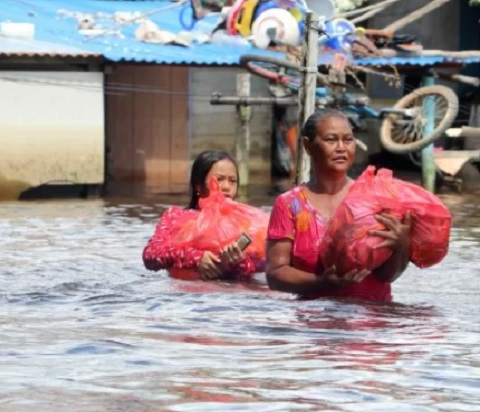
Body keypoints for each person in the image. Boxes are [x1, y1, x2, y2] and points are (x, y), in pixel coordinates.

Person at [265, 109, 412, 302]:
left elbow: (387, 276)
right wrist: (322, 283)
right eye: (331, 140)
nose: (341, 147)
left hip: (373, 319)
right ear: (308, 146)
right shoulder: (290, 204)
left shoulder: (375, 198)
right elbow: (275, 274)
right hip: (314, 321)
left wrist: (403, 246)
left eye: (348, 140)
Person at [143, 150, 265, 280]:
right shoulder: (175, 216)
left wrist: (239, 262)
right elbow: (151, 254)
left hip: (231, 295)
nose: (226, 187)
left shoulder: (245, 224)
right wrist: (196, 258)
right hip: (184, 297)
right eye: (219, 180)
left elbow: (257, 268)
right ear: (198, 186)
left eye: (232, 181)